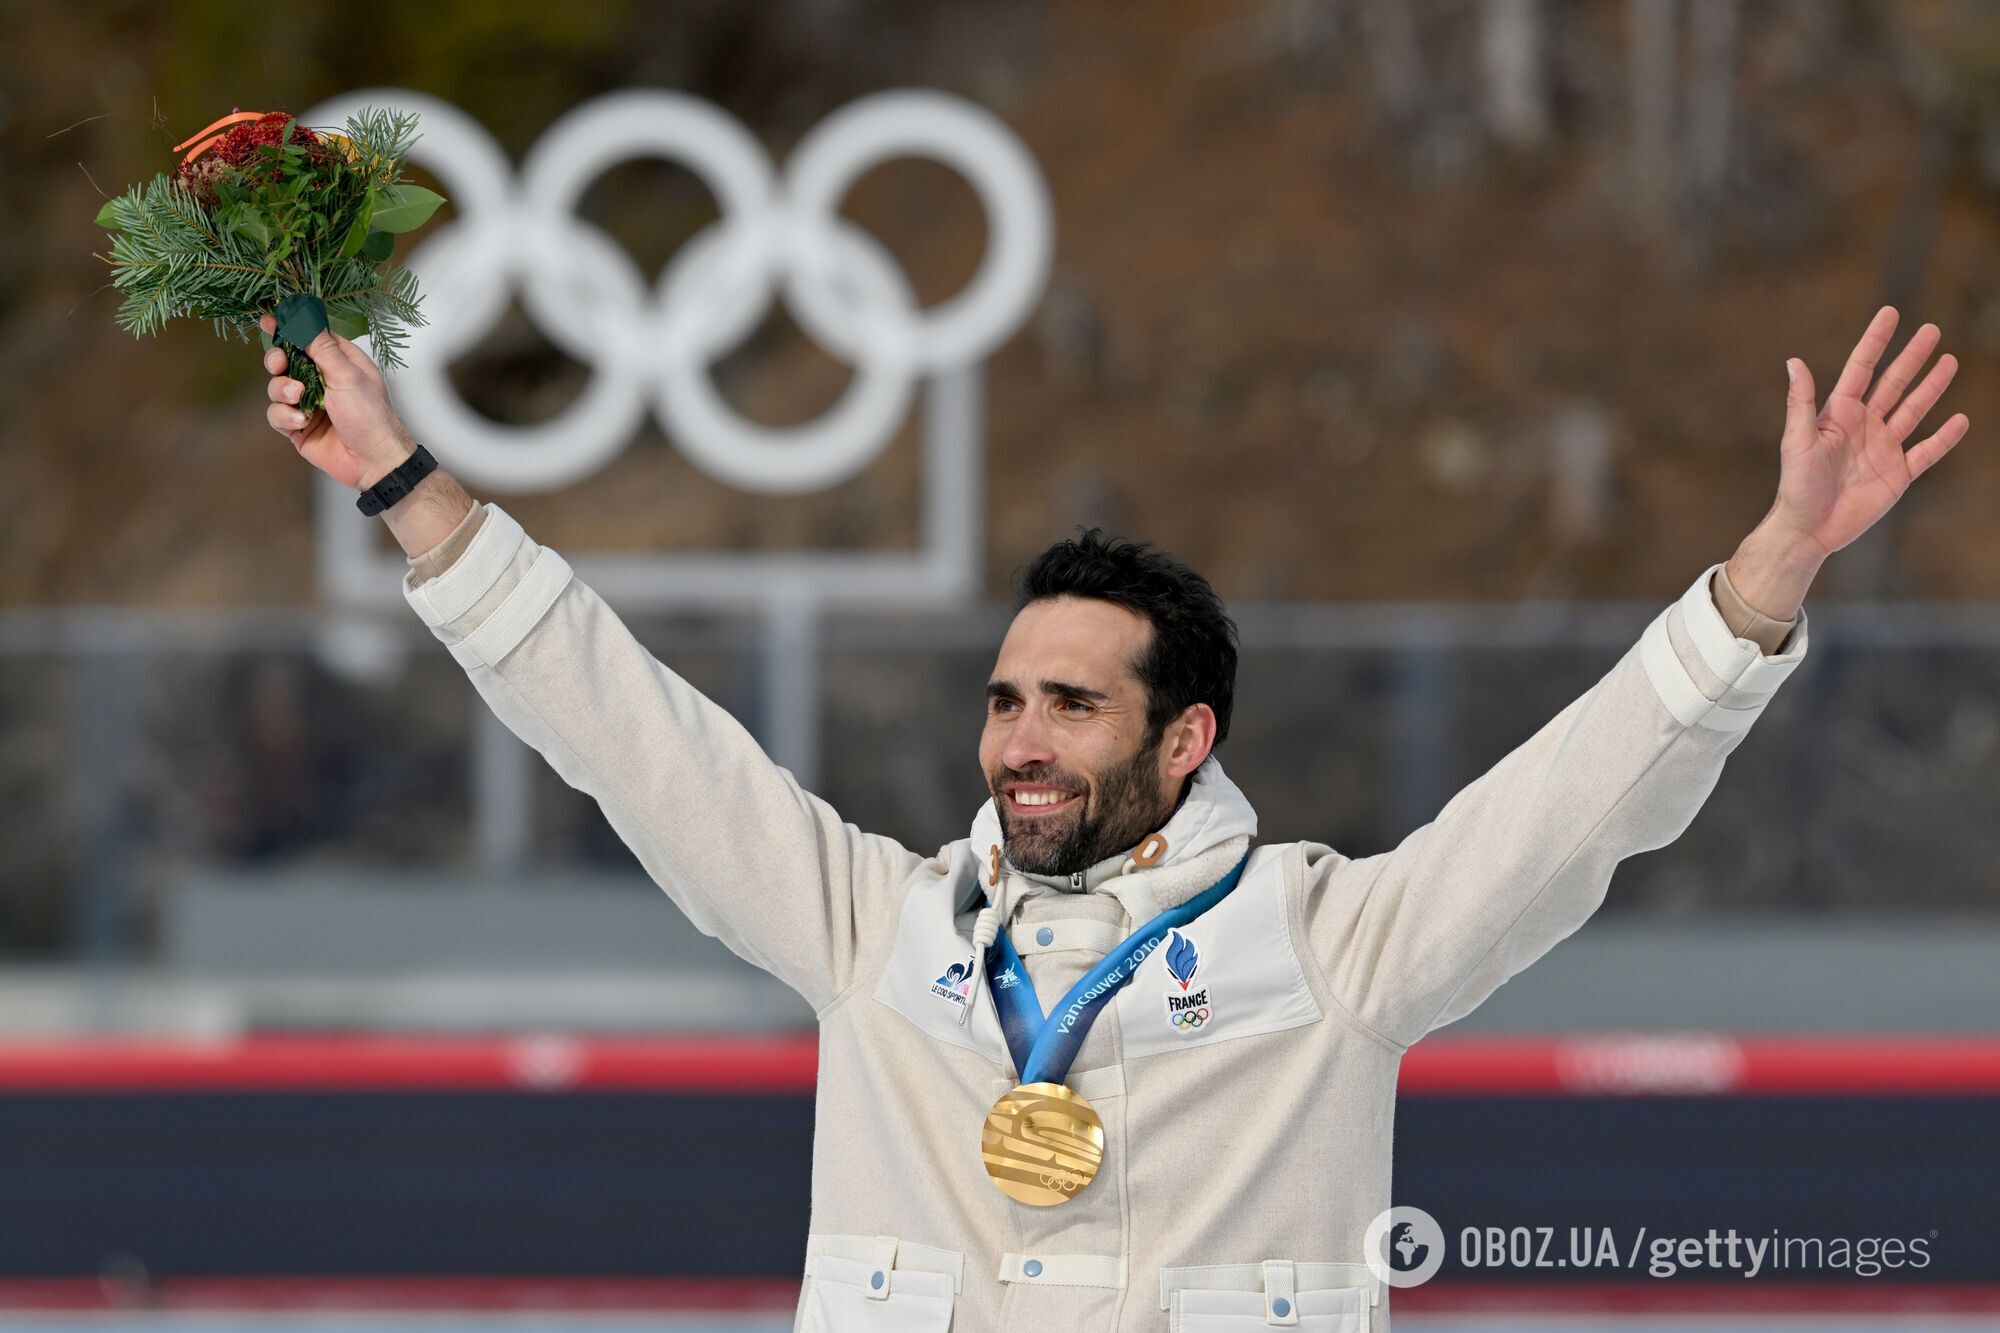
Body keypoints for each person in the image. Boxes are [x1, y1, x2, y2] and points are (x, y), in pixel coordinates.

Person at [257, 306, 1967, 1331]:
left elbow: (1577, 804)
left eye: (1074, 704)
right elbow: (628, 731)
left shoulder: (1329, 947)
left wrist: (1773, 570)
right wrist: (406, 486)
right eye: (1008, 698)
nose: (1022, 740)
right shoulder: (875, 929)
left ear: (1185, 736)